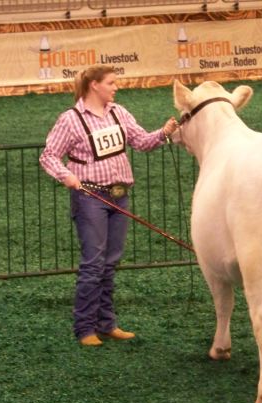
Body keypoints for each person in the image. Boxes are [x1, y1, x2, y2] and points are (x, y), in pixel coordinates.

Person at [40, 65, 178, 346]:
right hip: (90, 196)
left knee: (110, 263)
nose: (116, 87)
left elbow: (140, 142)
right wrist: (66, 175)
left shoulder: (119, 112)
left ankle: (106, 323)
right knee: (93, 263)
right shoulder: (71, 119)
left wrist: (163, 133)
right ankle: (85, 329)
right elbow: (49, 155)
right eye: (111, 83)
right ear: (94, 85)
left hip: (119, 195)